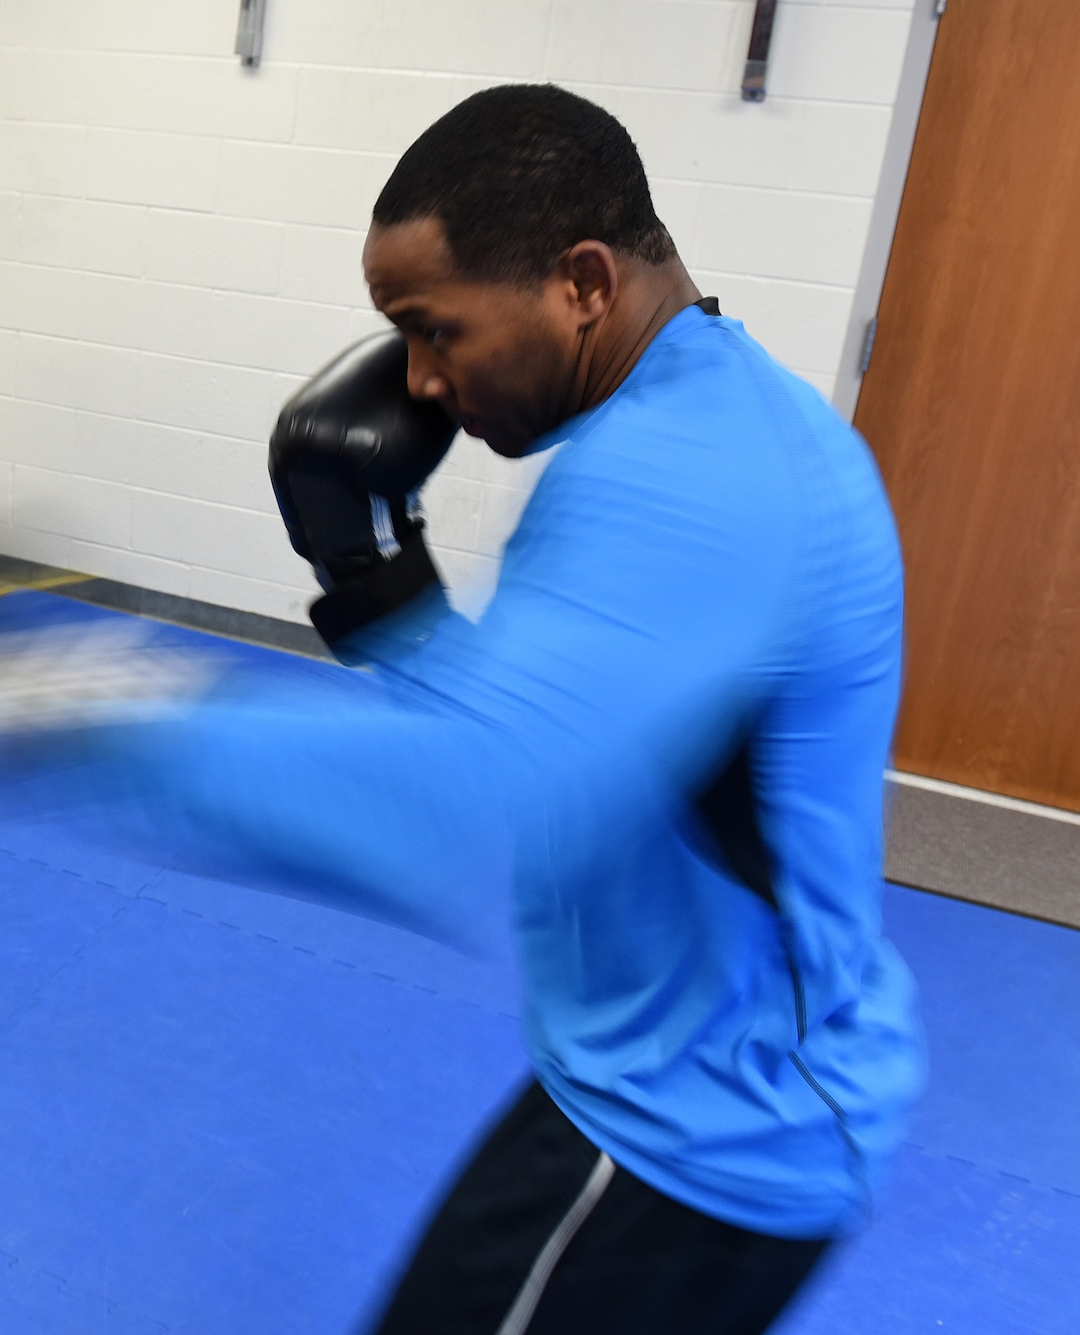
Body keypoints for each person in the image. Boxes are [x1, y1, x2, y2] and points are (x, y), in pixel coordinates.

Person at [56, 84, 926, 1334]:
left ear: (579, 282)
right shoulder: (685, 418)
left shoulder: (692, 481)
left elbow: (468, 801)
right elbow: (556, 748)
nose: (416, 378)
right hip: (671, 1060)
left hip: (700, 1125)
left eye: (431, 328)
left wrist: (85, 716)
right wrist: (375, 584)